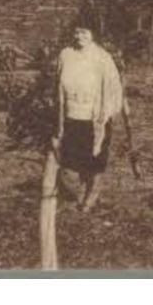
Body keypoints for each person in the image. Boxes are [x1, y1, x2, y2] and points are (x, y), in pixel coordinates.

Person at [52, 22, 124, 211]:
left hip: (95, 118)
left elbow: (114, 88)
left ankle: (93, 192)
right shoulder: (66, 55)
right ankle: (80, 190)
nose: (79, 36)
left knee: (95, 160)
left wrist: (106, 113)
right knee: (72, 162)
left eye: (84, 32)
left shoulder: (102, 58)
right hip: (71, 116)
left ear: (93, 34)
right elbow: (57, 84)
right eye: (76, 32)